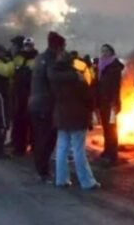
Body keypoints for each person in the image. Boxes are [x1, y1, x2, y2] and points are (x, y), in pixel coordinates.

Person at [51, 47, 100, 190]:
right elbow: (87, 97)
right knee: (78, 150)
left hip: (61, 115)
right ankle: (87, 182)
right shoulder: (77, 77)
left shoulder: (54, 77)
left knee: (62, 149)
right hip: (77, 116)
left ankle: (61, 180)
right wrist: (91, 112)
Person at [29, 32, 65, 183]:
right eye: (63, 46)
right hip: (45, 105)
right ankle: (42, 172)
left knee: (41, 138)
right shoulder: (50, 59)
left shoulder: (39, 58)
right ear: (58, 46)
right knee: (46, 139)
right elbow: (53, 78)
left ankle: (41, 170)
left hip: (35, 103)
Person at [95, 44, 124, 166]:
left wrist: (114, 102)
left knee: (111, 128)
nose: (104, 53)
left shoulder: (114, 67)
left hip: (111, 102)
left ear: (112, 52)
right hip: (102, 101)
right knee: (106, 127)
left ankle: (113, 154)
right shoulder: (100, 65)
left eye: (106, 51)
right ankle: (107, 150)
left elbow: (116, 86)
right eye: (102, 51)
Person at [12, 37, 38, 156]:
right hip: (19, 94)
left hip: (33, 94)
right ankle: (19, 147)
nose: (28, 47)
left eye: (30, 45)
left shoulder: (37, 59)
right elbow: (12, 72)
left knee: (33, 121)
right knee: (19, 120)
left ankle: (34, 145)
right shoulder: (17, 57)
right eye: (26, 45)